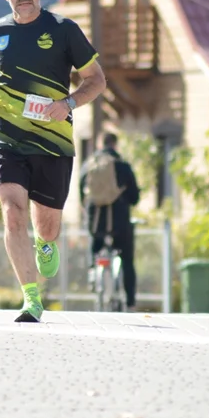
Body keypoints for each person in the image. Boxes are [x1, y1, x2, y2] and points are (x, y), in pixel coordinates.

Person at [0, 0, 106, 322]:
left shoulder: (64, 30)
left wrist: (69, 103)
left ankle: (46, 243)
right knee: (12, 214)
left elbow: (96, 79)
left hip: (52, 142)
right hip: (6, 138)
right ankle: (31, 299)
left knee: (47, 224)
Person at [79, 132, 141, 310]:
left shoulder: (87, 166)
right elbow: (134, 197)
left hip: (95, 222)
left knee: (94, 240)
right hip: (120, 222)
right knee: (127, 260)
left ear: (100, 144)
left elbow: (82, 196)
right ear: (115, 145)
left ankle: (92, 270)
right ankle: (130, 302)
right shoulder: (123, 166)